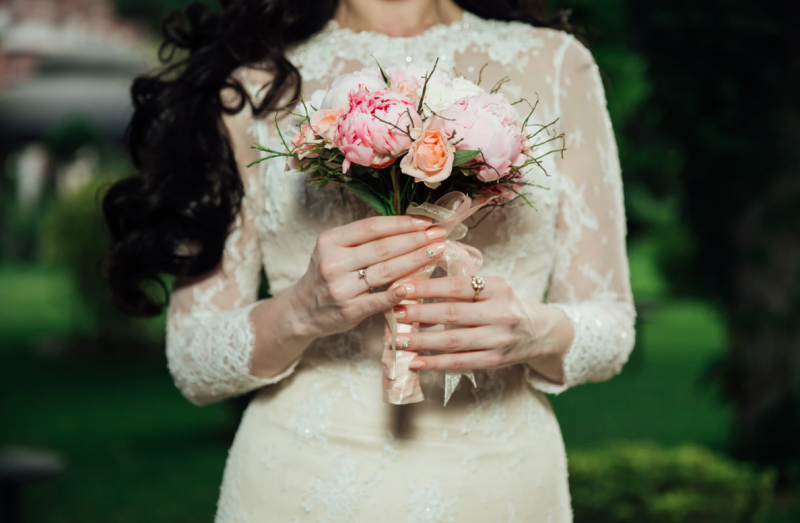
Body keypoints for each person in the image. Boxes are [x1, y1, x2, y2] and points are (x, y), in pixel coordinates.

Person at [103, 0, 636, 520]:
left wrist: (533, 331)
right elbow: (194, 362)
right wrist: (300, 311)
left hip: (502, 484)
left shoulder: (558, 63)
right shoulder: (253, 83)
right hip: (299, 484)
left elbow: (611, 324)